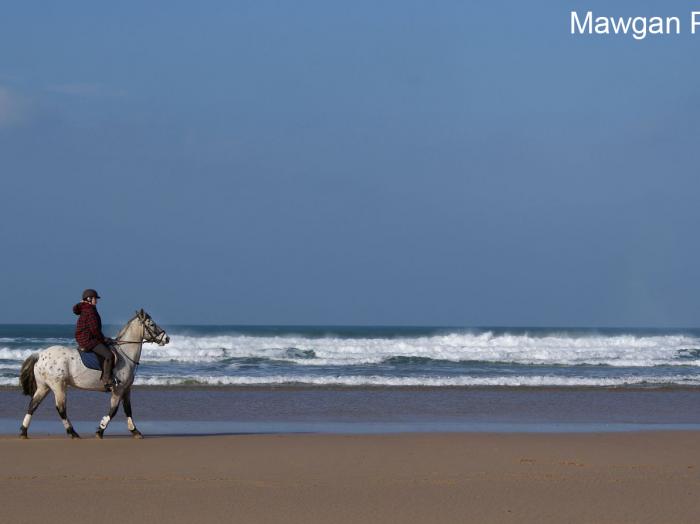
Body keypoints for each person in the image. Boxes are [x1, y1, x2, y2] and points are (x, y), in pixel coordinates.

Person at [73, 289, 114, 389]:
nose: (97, 301)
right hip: (88, 340)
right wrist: (104, 339)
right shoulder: (90, 311)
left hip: (82, 338)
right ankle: (106, 379)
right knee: (109, 355)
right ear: (89, 299)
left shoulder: (84, 309)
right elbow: (95, 330)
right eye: (95, 298)